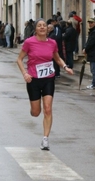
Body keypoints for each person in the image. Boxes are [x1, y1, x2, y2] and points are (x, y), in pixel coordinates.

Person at [16, 18, 74, 150]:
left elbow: (57, 58)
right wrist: (25, 74)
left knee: (48, 109)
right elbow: (19, 59)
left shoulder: (52, 43)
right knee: (36, 112)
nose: (42, 27)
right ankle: (34, 109)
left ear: (47, 29)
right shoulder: (29, 42)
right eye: (39, 26)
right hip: (33, 79)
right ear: (35, 29)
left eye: (44, 26)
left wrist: (65, 67)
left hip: (48, 78)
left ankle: (45, 139)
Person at [84, 18, 95, 89]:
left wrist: (86, 49)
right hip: (92, 53)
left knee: (94, 69)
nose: (90, 24)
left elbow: (91, 43)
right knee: (93, 69)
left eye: (91, 23)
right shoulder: (93, 31)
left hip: (94, 53)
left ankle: (94, 83)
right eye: (89, 23)